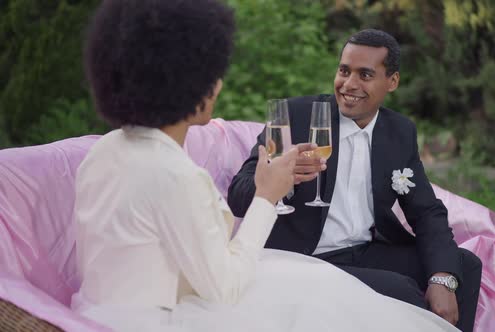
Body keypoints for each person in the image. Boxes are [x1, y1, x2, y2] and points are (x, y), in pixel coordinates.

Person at [72, 1, 459, 331]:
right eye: (212, 73)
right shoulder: (179, 175)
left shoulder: (104, 152)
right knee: (350, 300)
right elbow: (224, 284)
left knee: (457, 269)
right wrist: (269, 194)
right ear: (188, 83)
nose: (219, 84)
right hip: (174, 312)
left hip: (105, 307)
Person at [228, 29, 483, 332]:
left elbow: (426, 211)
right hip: (306, 258)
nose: (349, 84)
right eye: (344, 71)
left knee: (463, 265)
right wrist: (283, 179)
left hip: (364, 251)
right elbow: (238, 195)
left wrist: (442, 277)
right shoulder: (297, 116)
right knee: (403, 291)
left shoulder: (399, 132)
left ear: (392, 82)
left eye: (365, 75)